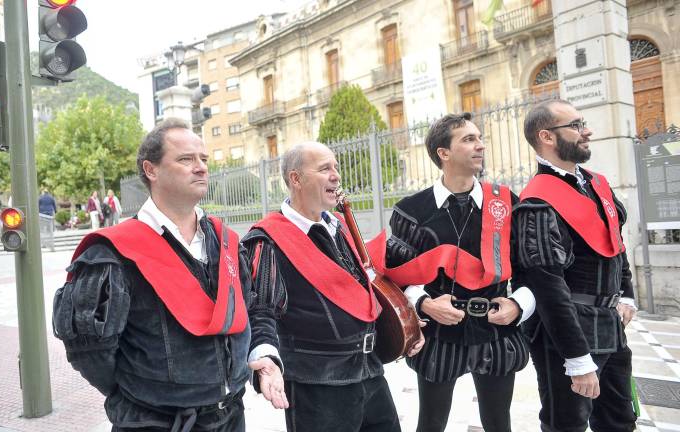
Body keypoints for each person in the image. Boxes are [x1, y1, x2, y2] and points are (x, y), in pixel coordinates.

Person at [52, 117, 275, 432]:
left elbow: (248, 312)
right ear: (151, 170)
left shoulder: (226, 242)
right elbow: (91, 351)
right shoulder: (112, 253)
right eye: (186, 159)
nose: (200, 167)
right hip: (156, 423)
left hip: (230, 416)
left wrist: (255, 362)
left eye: (203, 159)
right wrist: (146, 395)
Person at [242, 141, 421, 432]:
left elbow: (367, 286)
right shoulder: (267, 239)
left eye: (335, 167)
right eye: (324, 168)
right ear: (296, 179)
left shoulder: (340, 224)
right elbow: (262, 309)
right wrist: (266, 358)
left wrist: (404, 327)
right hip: (318, 384)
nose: (336, 175)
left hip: (370, 373)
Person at [377, 113, 534, 432]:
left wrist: (517, 305)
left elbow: (531, 270)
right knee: (431, 424)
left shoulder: (504, 203)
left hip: (495, 330)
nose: (481, 145)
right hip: (438, 333)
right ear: (443, 153)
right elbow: (394, 277)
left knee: (499, 424)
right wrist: (424, 304)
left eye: (480, 138)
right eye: (469, 139)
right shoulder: (412, 210)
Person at [516, 99, 637, 432]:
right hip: (567, 335)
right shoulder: (537, 203)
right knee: (565, 425)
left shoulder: (596, 183)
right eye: (576, 125)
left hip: (611, 325)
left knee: (620, 420)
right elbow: (547, 286)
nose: (588, 131)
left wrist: (626, 293)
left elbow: (615, 241)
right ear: (547, 137)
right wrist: (577, 358)